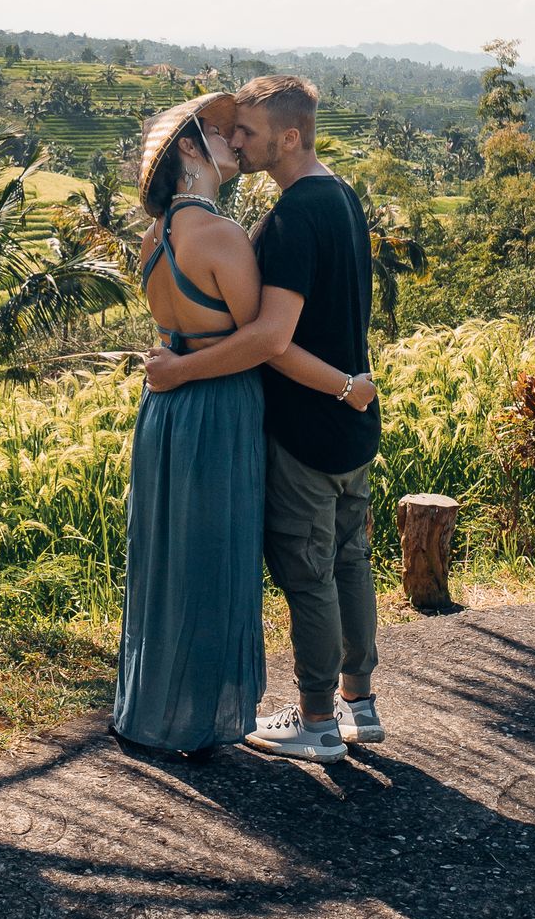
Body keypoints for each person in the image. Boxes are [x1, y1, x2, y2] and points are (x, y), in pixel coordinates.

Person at [114, 92, 374, 761]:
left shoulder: (154, 237)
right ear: (193, 151)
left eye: (243, 129)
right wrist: (346, 386)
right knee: (229, 562)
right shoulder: (227, 234)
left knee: (171, 557)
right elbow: (267, 338)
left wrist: (173, 370)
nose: (234, 137)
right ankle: (237, 712)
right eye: (220, 132)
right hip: (220, 403)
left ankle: (163, 703)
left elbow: (191, 331)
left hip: (167, 411)